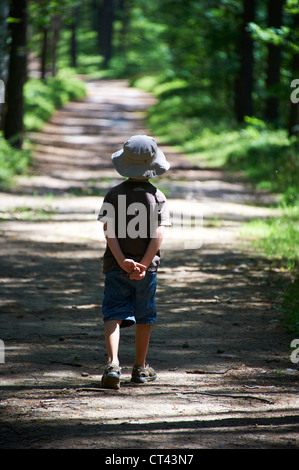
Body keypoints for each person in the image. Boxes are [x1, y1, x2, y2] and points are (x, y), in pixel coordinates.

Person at [97, 135, 171, 389]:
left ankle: (113, 364)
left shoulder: (113, 194)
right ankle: (140, 367)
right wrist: (144, 263)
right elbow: (159, 233)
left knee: (113, 313)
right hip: (146, 271)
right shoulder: (158, 197)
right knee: (144, 315)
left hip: (116, 267)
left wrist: (121, 260)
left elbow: (109, 231)